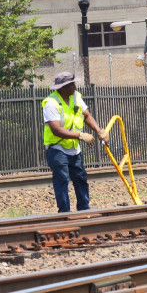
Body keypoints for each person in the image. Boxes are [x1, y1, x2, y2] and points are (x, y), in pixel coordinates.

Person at [42, 71, 108, 213]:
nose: (73, 87)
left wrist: (99, 130)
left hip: (73, 148)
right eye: (70, 85)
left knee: (80, 178)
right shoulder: (51, 103)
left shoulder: (76, 97)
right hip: (57, 148)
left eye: (73, 83)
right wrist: (80, 135)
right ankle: (64, 213)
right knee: (63, 180)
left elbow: (87, 115)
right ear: (61, 88)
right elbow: (56, 130)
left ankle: (84, 210)